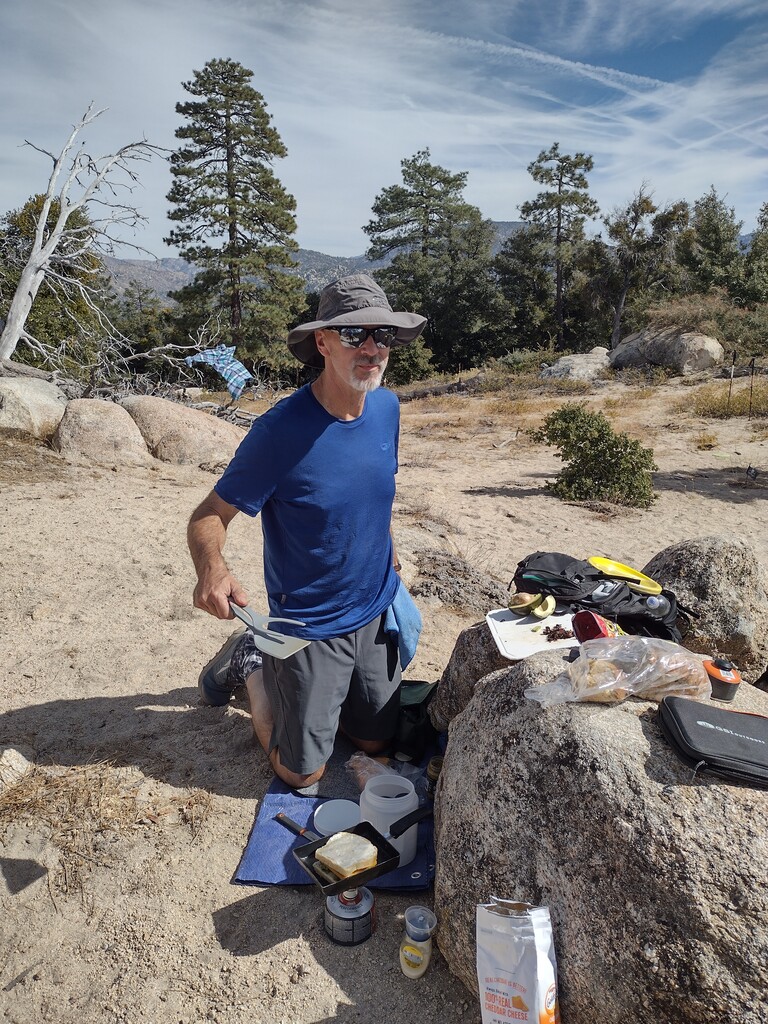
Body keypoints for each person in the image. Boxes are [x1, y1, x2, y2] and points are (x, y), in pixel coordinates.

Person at [187, 274, 427, 789]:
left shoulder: (386, 407)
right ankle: (252, 660)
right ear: (322, 341)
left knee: (375, 745)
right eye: (353, 334)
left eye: (381, 335)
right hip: (312, 621)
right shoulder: (280, 432)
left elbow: (371, 492)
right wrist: (213, 567)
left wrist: (390, 551)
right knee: (302, 773)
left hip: (375, 603)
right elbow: (209, 514)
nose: (371, 348)